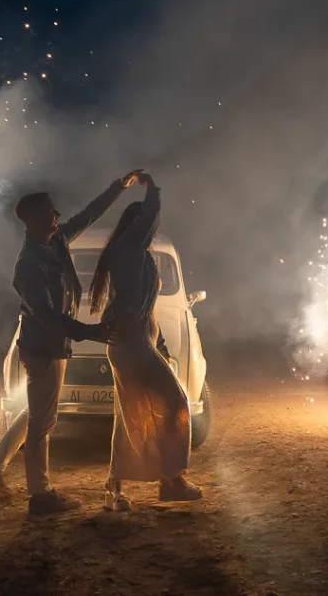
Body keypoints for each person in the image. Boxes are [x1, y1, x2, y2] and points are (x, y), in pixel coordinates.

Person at [0, 169, 143, 515]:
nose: (57, 215)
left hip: (50, 345)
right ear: (34, 219)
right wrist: (90, 331)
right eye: (50, 212)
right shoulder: (28, 265)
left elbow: (88, 214)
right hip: (43, 348)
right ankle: (41, 496)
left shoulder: (56, 241)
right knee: (43, 423)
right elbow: (46, 314)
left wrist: (118, 187)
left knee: (39, 410)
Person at [89, 172, 202, 511]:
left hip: (137, 342)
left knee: (131, 414)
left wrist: (159, 345)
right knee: (175, 402)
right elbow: (151, 213)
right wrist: (151, 186)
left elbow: (146, 307)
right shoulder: (129, 249)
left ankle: (118, 487)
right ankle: (170, 479)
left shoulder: (135, 255)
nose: (151, 229)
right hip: (131, 344)